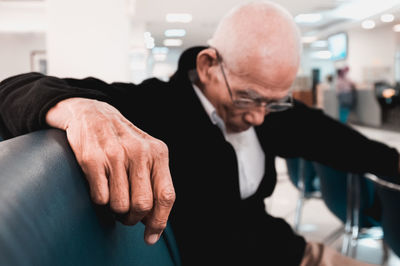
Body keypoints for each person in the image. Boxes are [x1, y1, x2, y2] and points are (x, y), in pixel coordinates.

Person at [0, 1, 399, 265]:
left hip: (285, 251)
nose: (261, 117)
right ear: (208, 65)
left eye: (274, 102)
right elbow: (12, 91)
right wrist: (79, 108)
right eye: (249, 98)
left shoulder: (270, 111)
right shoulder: (155, 107)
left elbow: (346, 145)